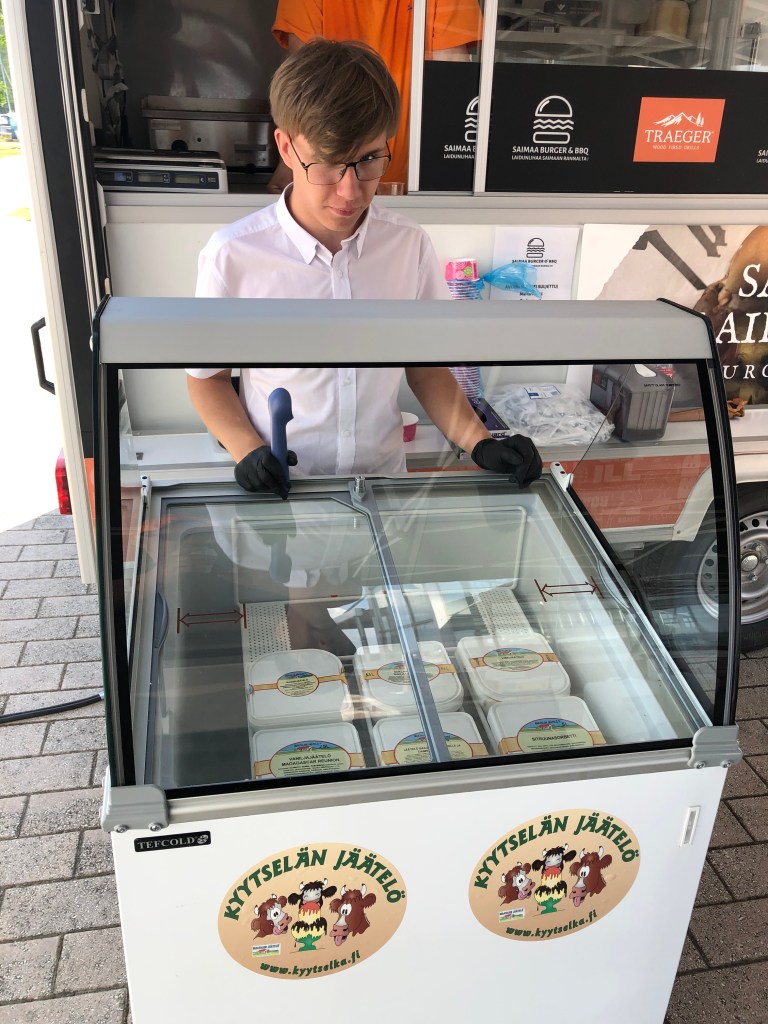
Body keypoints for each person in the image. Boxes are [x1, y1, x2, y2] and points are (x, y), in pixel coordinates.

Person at [187, 39, 540, 498]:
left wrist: (481, 442)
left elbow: (427, 369)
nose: (351, 191)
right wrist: (247, 450)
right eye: (329, 164)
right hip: (284, 495)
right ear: (286, 147)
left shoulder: (408, 245)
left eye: (370, 159)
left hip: (381, 489)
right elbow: (208, 380)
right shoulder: (234, 254)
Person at [269, 0, 482, 190]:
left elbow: (450, 81)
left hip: (407, 181)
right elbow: (305, 82)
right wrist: (290, 162)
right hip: (332, 178)